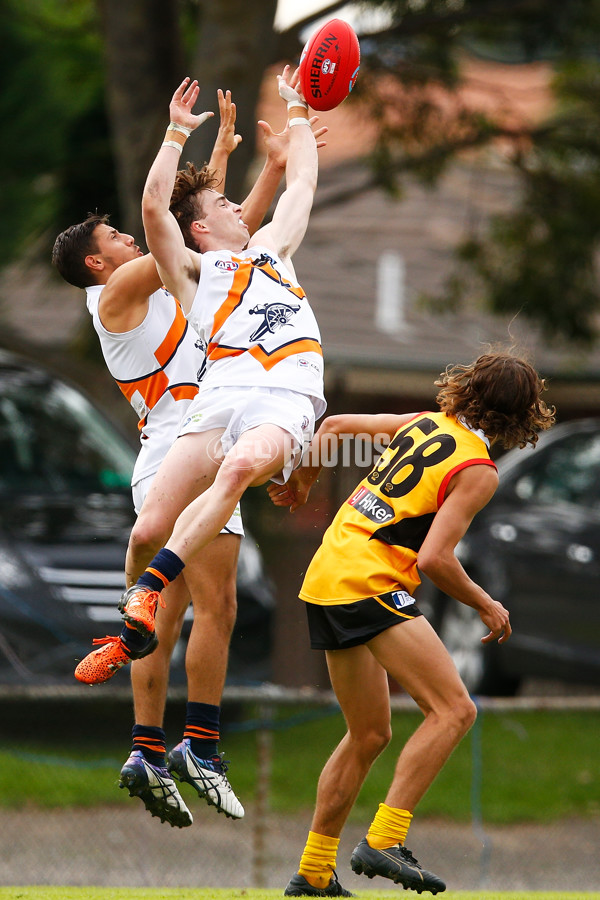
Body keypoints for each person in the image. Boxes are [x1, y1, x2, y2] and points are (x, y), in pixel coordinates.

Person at [52, 91, 325, 828]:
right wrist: (210, 161)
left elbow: (227, 239)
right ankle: (165, 736)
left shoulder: (180, 287)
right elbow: (180, 229)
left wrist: (248, 168)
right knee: (180, 603)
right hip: (180, 440)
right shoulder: (113, 297)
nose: (128, 244)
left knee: (211, 605)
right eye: (113, 239)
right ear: (93, 262)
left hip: (217, 427)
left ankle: (164, 743)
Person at [266, 350, 555, 897]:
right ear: (522, 419)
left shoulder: (426, 424)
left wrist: (304, 480)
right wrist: (487, 604)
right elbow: (435, 560)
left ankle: (312, 872)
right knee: (454, 709)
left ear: (467, 391)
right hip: (370, 582)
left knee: (369, 733)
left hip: (327, 574)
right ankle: (385, 838)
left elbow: (336, 427)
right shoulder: (477, 469)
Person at [86, 68, 326, 658]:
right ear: (200, 227)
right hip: (220, 397)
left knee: (240, 468)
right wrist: (174, 133)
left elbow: (302, 189)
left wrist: (298, 112)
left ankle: (153, 585)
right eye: (224, 202)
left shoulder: (272, 249)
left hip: (284, 396)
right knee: (145, 530)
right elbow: (152, 210)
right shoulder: (193, 272)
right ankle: (132, 626)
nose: (239, 208)